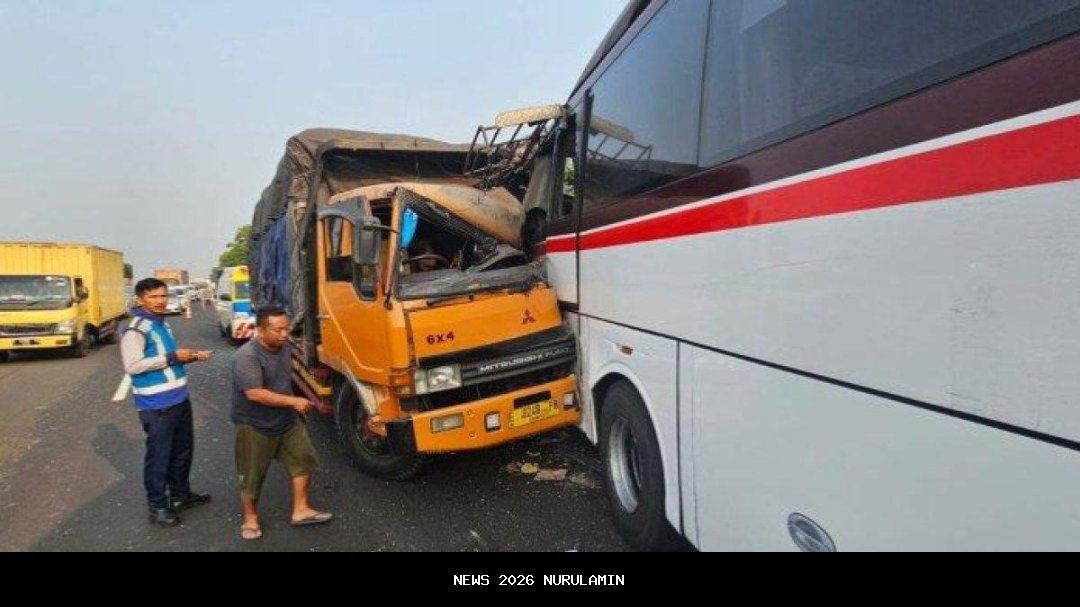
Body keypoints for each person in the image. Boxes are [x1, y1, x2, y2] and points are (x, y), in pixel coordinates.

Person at [231, 305, 332, 540]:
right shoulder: (247, 356)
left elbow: (287, 377)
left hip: (286, 420)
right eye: (278, 330)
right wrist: (293, 402)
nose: (285, 334)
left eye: (286, 328)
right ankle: (250, 518)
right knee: (252, 475)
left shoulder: (284, 347)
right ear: (260, 330)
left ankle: (301, 510)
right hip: (254, 425)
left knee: (303, 460)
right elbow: (254, 393)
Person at [120, 278, 213, 527]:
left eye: (163, 296)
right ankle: (158, 506)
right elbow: (133, 366)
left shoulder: (162, 324)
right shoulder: (136, 329)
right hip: (156, 404)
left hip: (179, 398)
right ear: (140, 300)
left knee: (183, 451)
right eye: (154, 297)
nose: (161, 301)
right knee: (160, 457)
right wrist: (172, 357)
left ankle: (181, 494)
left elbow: (167, 359)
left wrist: (190, 357)